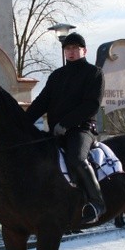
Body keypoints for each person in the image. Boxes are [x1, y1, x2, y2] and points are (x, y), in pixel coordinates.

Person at [25, 32, 106, 224]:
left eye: (75, 48)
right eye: (67, 48)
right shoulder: (56, 76)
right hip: (56, 132)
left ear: (84, 50)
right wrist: (21, 121)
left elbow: (91, 105)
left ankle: (96, 202)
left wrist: (66, 123)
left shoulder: (94, 73)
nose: (71, 52)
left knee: (76, 158)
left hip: (82, 129)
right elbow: (41, 102)